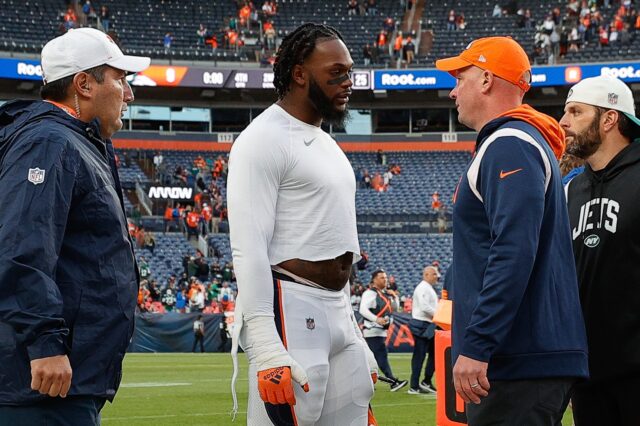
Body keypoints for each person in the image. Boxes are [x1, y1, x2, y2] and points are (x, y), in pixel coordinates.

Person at [227, 23, 378, 426]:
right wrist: (264, 344)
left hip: (337, 310)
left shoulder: (326, 141)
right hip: (290, 306)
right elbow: (249, 246)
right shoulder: (262, 139)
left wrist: (353, 331)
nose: (348, 83)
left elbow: (335, 242)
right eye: (336, 73)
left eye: (349, 72)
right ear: (298, 73)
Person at [435, 36, 588, 424]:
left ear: (486, 79)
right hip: (525, 356)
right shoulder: (519, 141)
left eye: (461, 78)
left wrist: (478, 344)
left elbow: (514, 251)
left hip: (517, 359)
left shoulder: (509, 144)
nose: (453, 91)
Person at [0, 28, 149, 424]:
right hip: (40, 387)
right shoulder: (49, 142)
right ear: (83, 84)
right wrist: (45, 343)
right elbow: (21, 247)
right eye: (120, 79)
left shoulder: (76, 140)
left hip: (66, 381)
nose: (129, 94)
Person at [559, 75, 640, 426]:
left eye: (576, 112)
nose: (564, 122)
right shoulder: (571, 189)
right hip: (589, 376)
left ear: (609, 119)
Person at [359, 269, 408, 392]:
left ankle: (366, 383)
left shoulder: (385, 294)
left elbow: (395, 308)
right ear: (374, 279)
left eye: (385, 277)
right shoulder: (370, 293)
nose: (385, 280)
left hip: (380, 331)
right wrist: (376, 319)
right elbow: (362, 310)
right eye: (382, 277)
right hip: (372, 330)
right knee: (381, 356)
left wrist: (395, 296)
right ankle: (392, 381)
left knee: (371, 358)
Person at [408, 266, 439, 394]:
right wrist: (439, 314)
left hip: (428, 324)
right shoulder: (423, 287)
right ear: (426, 274)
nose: (437, 276)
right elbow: (424, 306)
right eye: (434, 274)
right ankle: (414, 385)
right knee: (419, 356)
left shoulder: (428, 288)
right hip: (422, 324)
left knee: (435, 353)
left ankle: (426, 381)